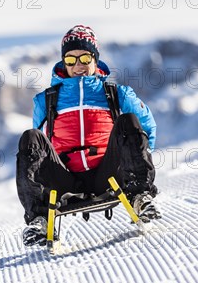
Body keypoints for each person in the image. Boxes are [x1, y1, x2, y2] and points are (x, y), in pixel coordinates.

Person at [16, 25, 161, 247]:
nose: (78, 65)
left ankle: (140, 196)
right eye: (71, 59)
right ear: (63, 62)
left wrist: (139, 156)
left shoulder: (113, 92)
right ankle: (39, 219)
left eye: (84, 57)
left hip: (108, 172)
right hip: (65, 178)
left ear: (95, 59)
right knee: (30, 137)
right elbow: (36, 150)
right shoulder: (47, 99)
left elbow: (146, 123)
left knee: (128, 120)